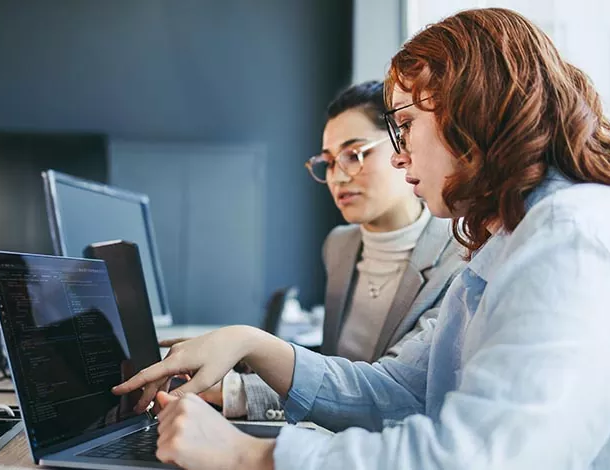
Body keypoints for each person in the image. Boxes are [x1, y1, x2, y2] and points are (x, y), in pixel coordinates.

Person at [113, 7, 610, 469]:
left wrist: (251, 457)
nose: (400, 155)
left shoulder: (569, 243)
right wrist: (254, 344)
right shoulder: (511, 241)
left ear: (472, 111)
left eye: (403, 125)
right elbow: (400, 392)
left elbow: (478, 459)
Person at [174, 81, 464, 421]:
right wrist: (229, 371)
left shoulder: (461, 256)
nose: (338, 178)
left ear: (403, 144)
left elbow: (387, 389)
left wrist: (237, 383)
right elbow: (334, 377)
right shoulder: (340, 246)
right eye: (327, 163)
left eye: (355, 154)